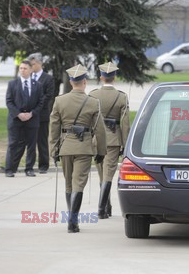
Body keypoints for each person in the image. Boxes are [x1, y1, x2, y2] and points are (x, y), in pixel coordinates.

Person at [49, 65, 107, 233]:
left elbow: (53, 128)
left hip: (66, 147)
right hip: (84, 148)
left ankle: (71, 218)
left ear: (71, 82)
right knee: (78, 185)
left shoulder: (59, 101)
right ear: (84, 82)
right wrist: (101, 152)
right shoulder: (93, 102)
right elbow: (100, 130)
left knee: (69, 185)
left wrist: (54, 150)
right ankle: (72, 222)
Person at [89, 62, 130, 219]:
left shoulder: (93, 95)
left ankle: (107, 206)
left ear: (101, 77)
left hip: (96, 140)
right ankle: (102, 208)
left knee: (101, 174)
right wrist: (125, 145)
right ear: (115, 78)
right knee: (108, 175)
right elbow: (125, 124)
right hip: (113, 140)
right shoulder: (121, 96)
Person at [4, 60, 44, 177]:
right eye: (21, 68)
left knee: (31, 145)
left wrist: (32, 113)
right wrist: (18, 114)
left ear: (31, 70)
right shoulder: (12, 84)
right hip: (15, 120)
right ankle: (10, 169)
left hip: (32, 120)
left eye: (25, 68)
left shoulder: (38, 85)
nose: (22, 70)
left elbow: (41, 102)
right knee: (13, 144)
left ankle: (29, 168)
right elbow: (9, 101)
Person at [29, 53, 55, 174]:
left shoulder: (48, 78)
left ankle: (43, 165)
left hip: (41, 115)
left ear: (39, 64)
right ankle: (29, 164)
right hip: (29, 114)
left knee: (42, 141)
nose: (31, 66)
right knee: (30, 141)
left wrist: (36, 105)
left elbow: (49, 95)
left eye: (33, 64)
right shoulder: (29, 77)